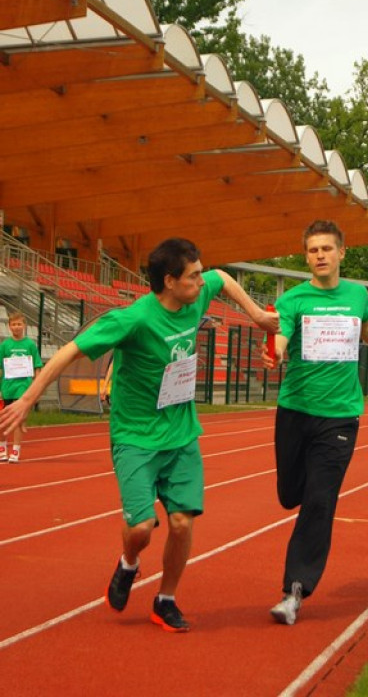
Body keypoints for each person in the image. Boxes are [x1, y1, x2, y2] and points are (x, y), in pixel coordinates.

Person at [0, 238, 279, 632]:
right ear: (169, 281)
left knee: (182, 523)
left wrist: (255, 315)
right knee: (141, 528)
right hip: (135, 436)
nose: (202, 282)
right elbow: (69, 351)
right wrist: (28, 399)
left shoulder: (196, 296)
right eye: (193, 276)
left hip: (181, 433)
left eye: (199, 273)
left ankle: (165, 599)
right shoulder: (133, 319)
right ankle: (129, 562)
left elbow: (223, 278)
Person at [262, 220, 368, 625]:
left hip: (341, 414)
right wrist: (275, 353)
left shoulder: (357, 295)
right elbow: (281, 334)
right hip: (295, 411)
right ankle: (299, 498)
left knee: (320, 500)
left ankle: (294, 591)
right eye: (313, 250)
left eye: (327, 248)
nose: (320, 255)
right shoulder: (293, 300)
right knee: (291, 494)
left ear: (342, 253)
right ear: (306, 256)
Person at [0, 311, 43, 463]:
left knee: (18, 420)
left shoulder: (30, 345)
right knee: (3, 419)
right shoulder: (4, 345)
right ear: (9, 326)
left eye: (19, 324)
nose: (16, 327)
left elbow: (37, 366)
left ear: (24, 326)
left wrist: (37, 386)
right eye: (13, 324)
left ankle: (15, 450)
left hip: (23, 387)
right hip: (7, 387)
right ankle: (2, 448)